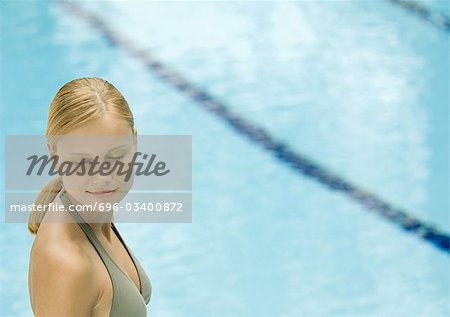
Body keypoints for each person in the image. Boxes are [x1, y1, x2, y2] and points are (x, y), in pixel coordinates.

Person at [28, 77, 152, 316]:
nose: (103, 176)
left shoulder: (91, 210)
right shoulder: (67, 262)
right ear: (54, 155)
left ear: (135, 142)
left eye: (116, 155)